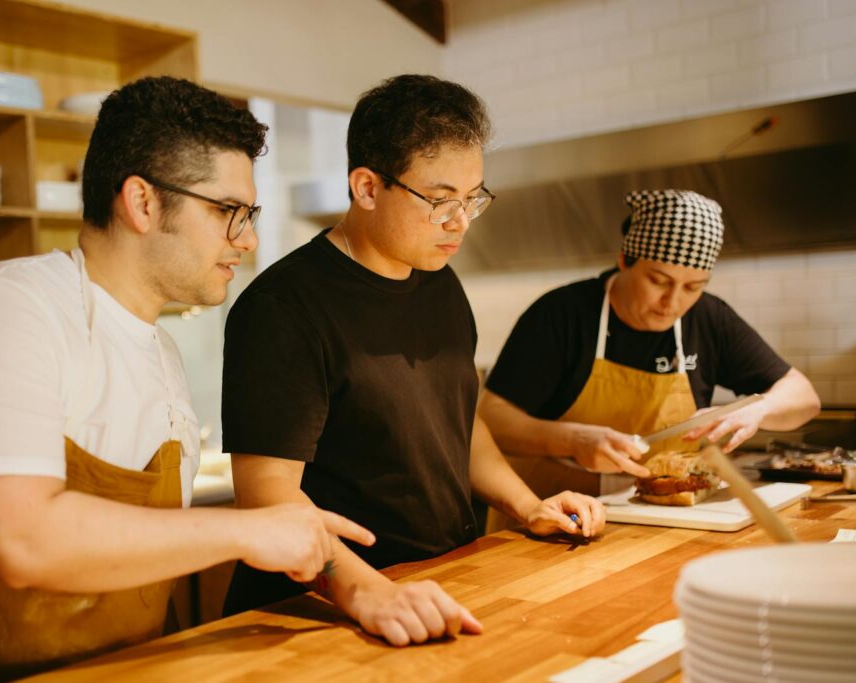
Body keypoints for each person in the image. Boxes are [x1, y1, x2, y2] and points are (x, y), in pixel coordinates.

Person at [0, 76, 374, 682]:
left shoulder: (164, 353)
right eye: (227, 211)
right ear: (143, 202)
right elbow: (23, 540)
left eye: (248, 215)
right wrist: (249, 530)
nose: (248, 241)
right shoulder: (8, 306)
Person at [219, 74, 606, 648]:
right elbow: (267, 493)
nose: (461, 221)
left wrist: (530, 507)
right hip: (317, 610)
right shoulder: (283, 308)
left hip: (437, 582)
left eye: (473, 198)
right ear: (367, 187)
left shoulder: (440, 285)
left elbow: (458, 421)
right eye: (440, 200)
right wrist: (364, 590)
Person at [479, 189, 821, 502]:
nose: (672, 302)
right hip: (554, 514)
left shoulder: (709, 318)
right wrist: (572, 440)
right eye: (659, 281)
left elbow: (804, 398)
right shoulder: (562, 314)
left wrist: (757, 410)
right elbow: (493, 420)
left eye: (693, 287)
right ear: (625, 259)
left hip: (663, 513)